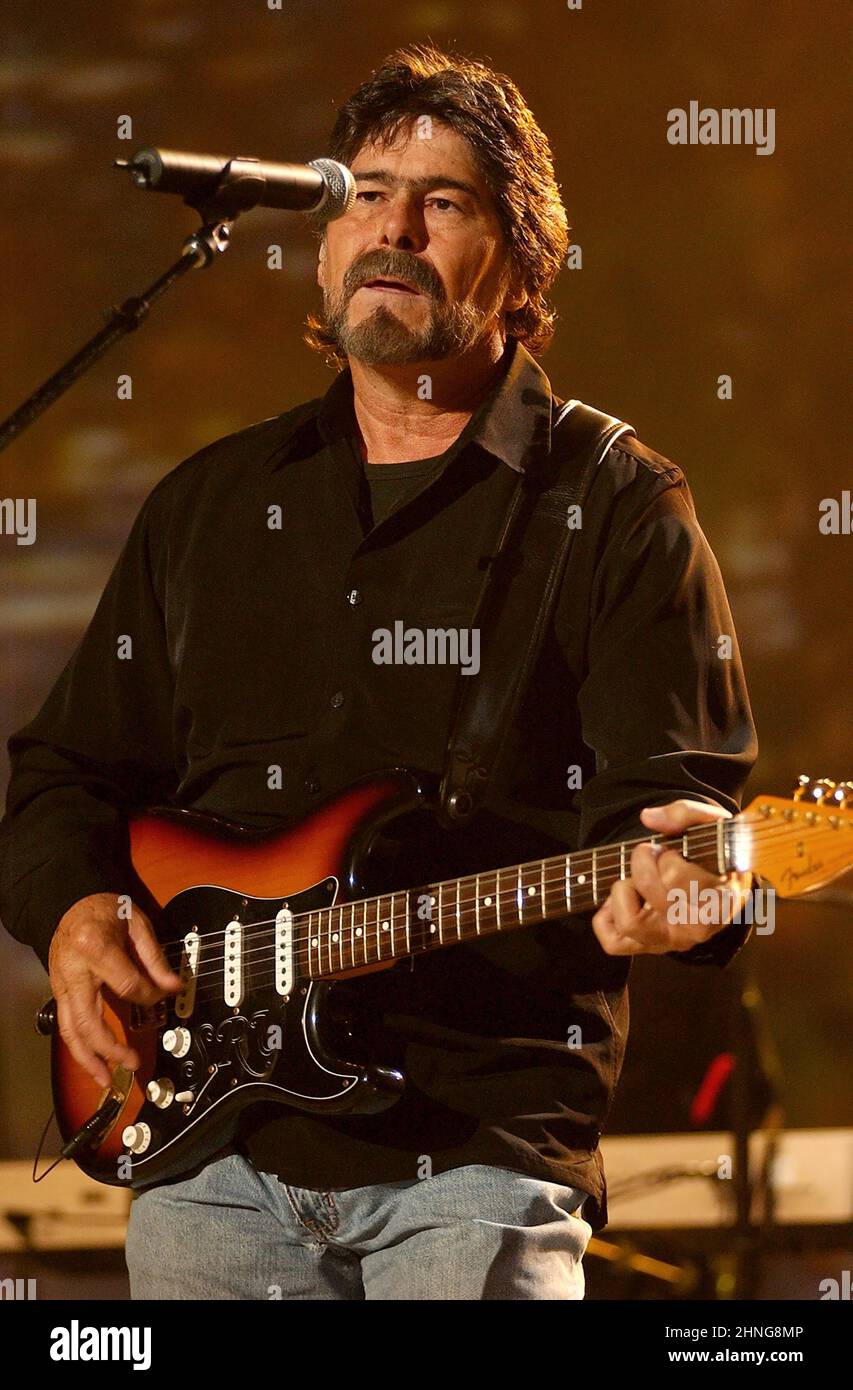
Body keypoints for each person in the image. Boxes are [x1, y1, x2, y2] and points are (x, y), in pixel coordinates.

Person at [0, 43, 756, 1300]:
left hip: (474, 1160)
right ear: (319, 237)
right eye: (363, 193)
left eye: (443, 202)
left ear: (524, 268)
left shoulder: (618, 506)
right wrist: (77, 918)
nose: (393, 227)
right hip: (210, 1159)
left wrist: (688, 876)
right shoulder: (211, 505)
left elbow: (678, 810)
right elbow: (62, 775)